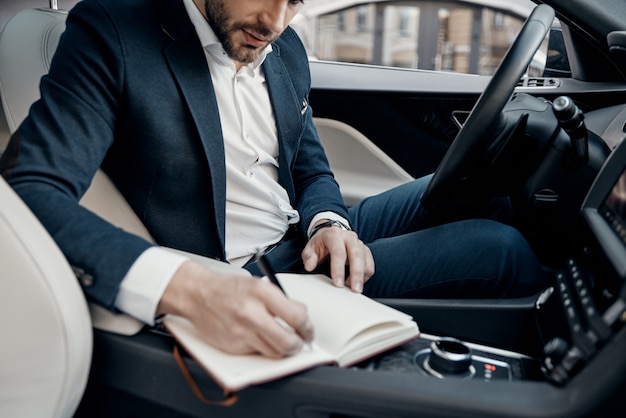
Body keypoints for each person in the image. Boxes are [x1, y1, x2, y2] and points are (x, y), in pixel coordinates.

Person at [0, 0, 546, 358]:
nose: (277, 19)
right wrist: (186, 285)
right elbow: (32, 190)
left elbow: (310, 165)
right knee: (500, 249)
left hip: (302, 238)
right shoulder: (114, 33)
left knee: (476, 192)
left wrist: (329, 222)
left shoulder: (283, 49)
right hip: (248, 277)